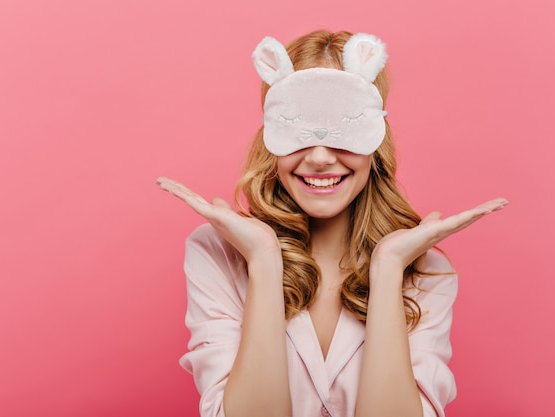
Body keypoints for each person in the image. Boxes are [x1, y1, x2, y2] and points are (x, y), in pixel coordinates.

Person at [156, 30, 507, 417]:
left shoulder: (427, 271)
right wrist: (263, 258)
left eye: (344, 126)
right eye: (298, 127)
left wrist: (389, 267)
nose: (320, 157)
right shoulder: (217, 253)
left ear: (376, 139)